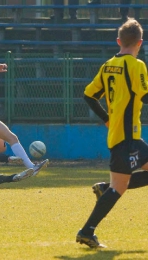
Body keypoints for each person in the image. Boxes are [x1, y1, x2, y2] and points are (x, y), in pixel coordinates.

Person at [76, 18, 148, 248]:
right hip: (126, 138)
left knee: (119, 185)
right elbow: (146, 96)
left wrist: (106, 118)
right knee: (120, 187)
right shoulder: (137, 66)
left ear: (119, 41)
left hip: (126, 136)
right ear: (140, 43)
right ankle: (86, 231)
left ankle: (105, 190)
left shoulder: (107, 65)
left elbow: (89, 95)